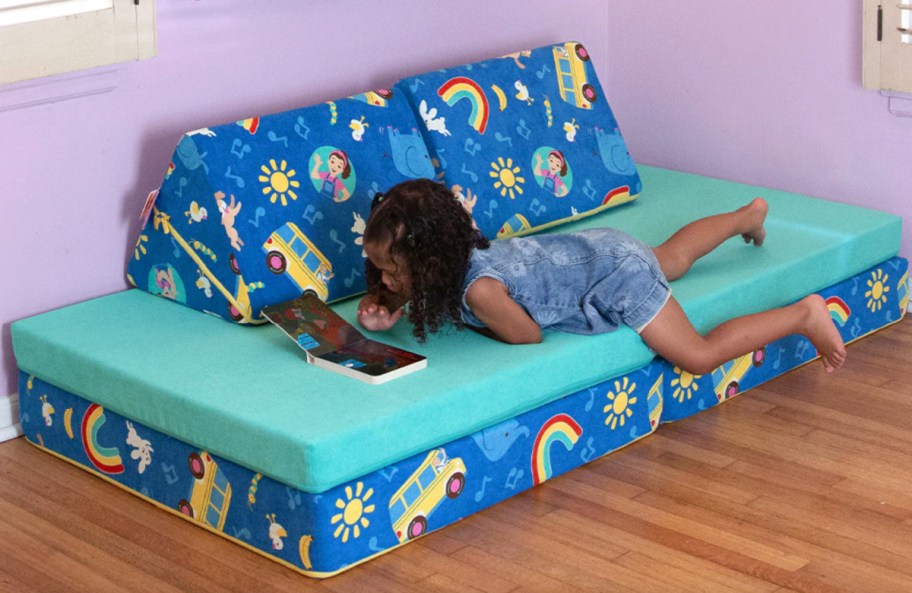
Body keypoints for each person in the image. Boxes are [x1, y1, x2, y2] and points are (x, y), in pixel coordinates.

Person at [357, 179, 846, 375]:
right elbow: (424, 285)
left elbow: (526, 335)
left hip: (614, 275)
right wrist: (393, 302)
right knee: (670, 258)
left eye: (390, 271)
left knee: (697, 356)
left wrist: (477, 319)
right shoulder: (455, 254)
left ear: (428, 264)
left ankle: (804, 314)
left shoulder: (480, 291)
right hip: (597, 247)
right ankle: (746, 217)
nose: (382, 278)